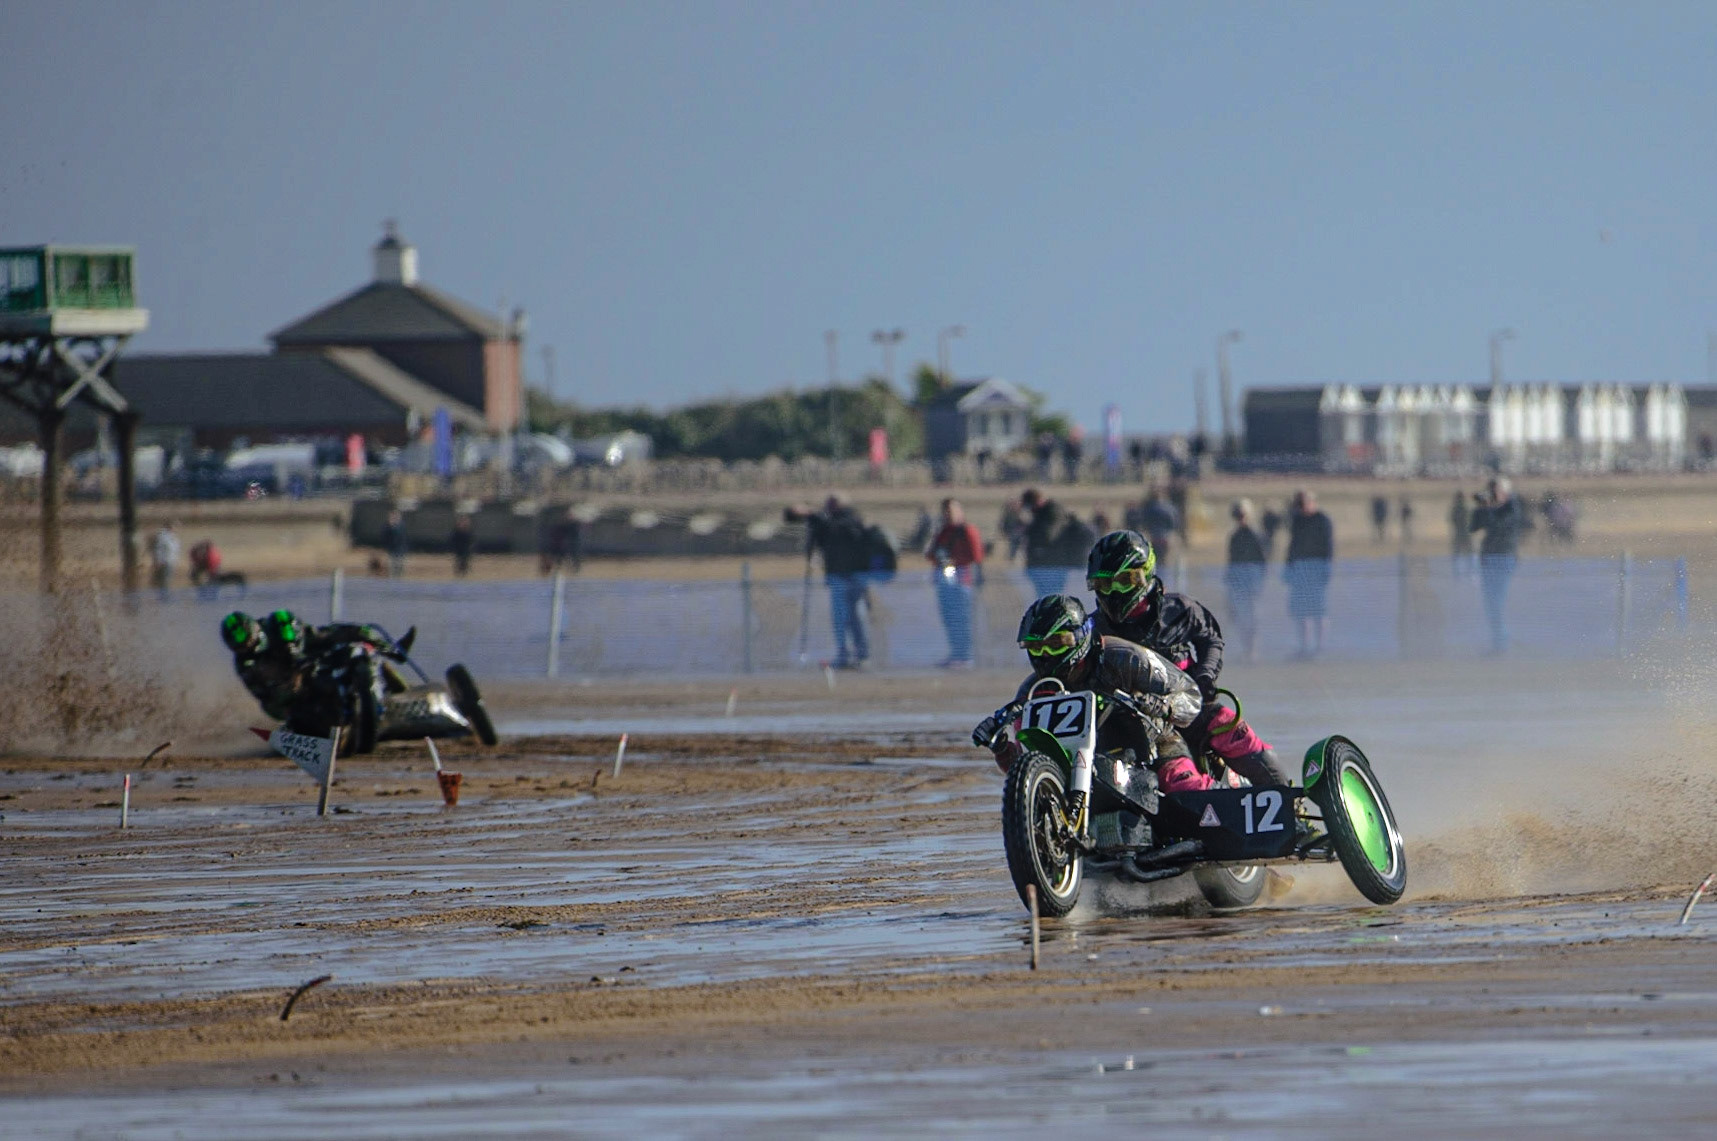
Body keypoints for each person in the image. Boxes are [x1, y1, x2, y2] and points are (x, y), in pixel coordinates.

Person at [1086, 530, 1290, 787]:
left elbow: (1211, 638)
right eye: (1106, 584)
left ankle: (1291, 806)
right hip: (1137, 724)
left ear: (1145, 575)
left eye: (1125, 580)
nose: (1115, 592)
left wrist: (1205, 676)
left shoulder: (1179, 609)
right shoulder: (1090, 630)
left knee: (1236, 732)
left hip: (1192, 707)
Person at [972, 594, 1209, 797]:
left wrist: (1164, 706)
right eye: (1036, 647)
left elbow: (1190, 694)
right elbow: (1028, 763)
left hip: (1154, 746)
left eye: (1056, 643)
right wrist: (1001, 748)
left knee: (1183, 786)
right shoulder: (1032, 692)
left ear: (1081, 636)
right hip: (1081, 769)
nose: (1046, 654)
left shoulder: (1124, 657)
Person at [802, 493, 873, 669]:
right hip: (836, 575)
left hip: (854, 576)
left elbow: (851, 533)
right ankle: (844, 653)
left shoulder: (851, 519)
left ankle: (862, 654)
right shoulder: (826, 523)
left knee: (856, 615)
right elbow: (815, 543)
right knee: (840, 617)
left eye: (830, 503)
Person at [1469, 476, 1532, 655]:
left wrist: (1490, 509)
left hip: (1504, 557)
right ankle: (1498, 641)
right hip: (1488, 558)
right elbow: (1473, 527)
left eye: (1494, 492)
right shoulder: (1492, 508)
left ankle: (1501, 642)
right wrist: (1482, 508)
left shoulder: (1512, 507)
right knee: (1489, 602)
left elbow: (1500, 526)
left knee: (1496, 602)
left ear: (1504, 492)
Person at [927, 498, 984, 668]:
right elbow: (931, 553)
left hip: (963, 581)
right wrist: (940, 560)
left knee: (963, 619)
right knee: (949, 618)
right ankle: (956, 653)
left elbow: (976, 556)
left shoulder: (968, 530)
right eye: (946, 511)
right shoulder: (943, 532)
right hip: (945, 581)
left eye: (951, 511)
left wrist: (954, 560)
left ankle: (966, 655)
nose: (948, 515)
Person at [1284, 489, 1334, 659]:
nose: (1300, 508)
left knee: (1319, 609)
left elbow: (1327, 546)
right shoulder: (1297, 521)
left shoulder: (1322, 520)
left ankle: (1320, 647)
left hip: (1317, 566)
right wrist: (1289, 566)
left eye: (1302, 504)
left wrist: (1326, 568)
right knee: (1301, 610)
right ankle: (1304, 647)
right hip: (1299, 567)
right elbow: (1293, 544)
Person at [1224, 500, 1267, 663]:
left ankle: (1253, 650)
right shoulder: (1235, 536)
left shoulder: (1255, 535)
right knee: (1240, 617)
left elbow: (1262, 560)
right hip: (1237, 581)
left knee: (1253, 617)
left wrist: (1258, 581)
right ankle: (1246, 649)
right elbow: (1231, 559)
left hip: (1252, 581)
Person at [1021, 488, 1070, 597]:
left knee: (1053, 597)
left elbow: (1048, 535)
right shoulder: (1039, 515)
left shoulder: (1052, 511)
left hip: (1052, 567)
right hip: (1040, 567)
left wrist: (1029, 529)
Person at [150, 521, 181, 599]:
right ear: (170, 527)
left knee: (167, 578)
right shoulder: (163, 537)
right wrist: (158, 561)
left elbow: (175, 550)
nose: (176, 528)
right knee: (164, 580)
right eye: (175, 526)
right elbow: (158, 550)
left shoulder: (172, 537)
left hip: (170, 561)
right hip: (164, 561)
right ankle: (163, 596)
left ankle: (165, 595)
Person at [1448, 490, 1473, 569]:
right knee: (1469, 553)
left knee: (1457, 554)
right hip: (1465, 533)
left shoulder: (1455, 508)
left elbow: (1452, 519)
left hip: (1459, 533)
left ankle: (1457, 571)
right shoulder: (1465, 508)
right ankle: (1470, 569)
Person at [384, 510, 408, 579]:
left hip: (400, 550)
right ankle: (392, 581)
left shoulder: (401, 525)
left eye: (396, 516)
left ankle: (399, 580)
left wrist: (393, 527)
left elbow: (401, 536)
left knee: (400, 566)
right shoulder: (387, 526)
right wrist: (390, 526)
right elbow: (385, 536)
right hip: (392, 550)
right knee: (392, 567)